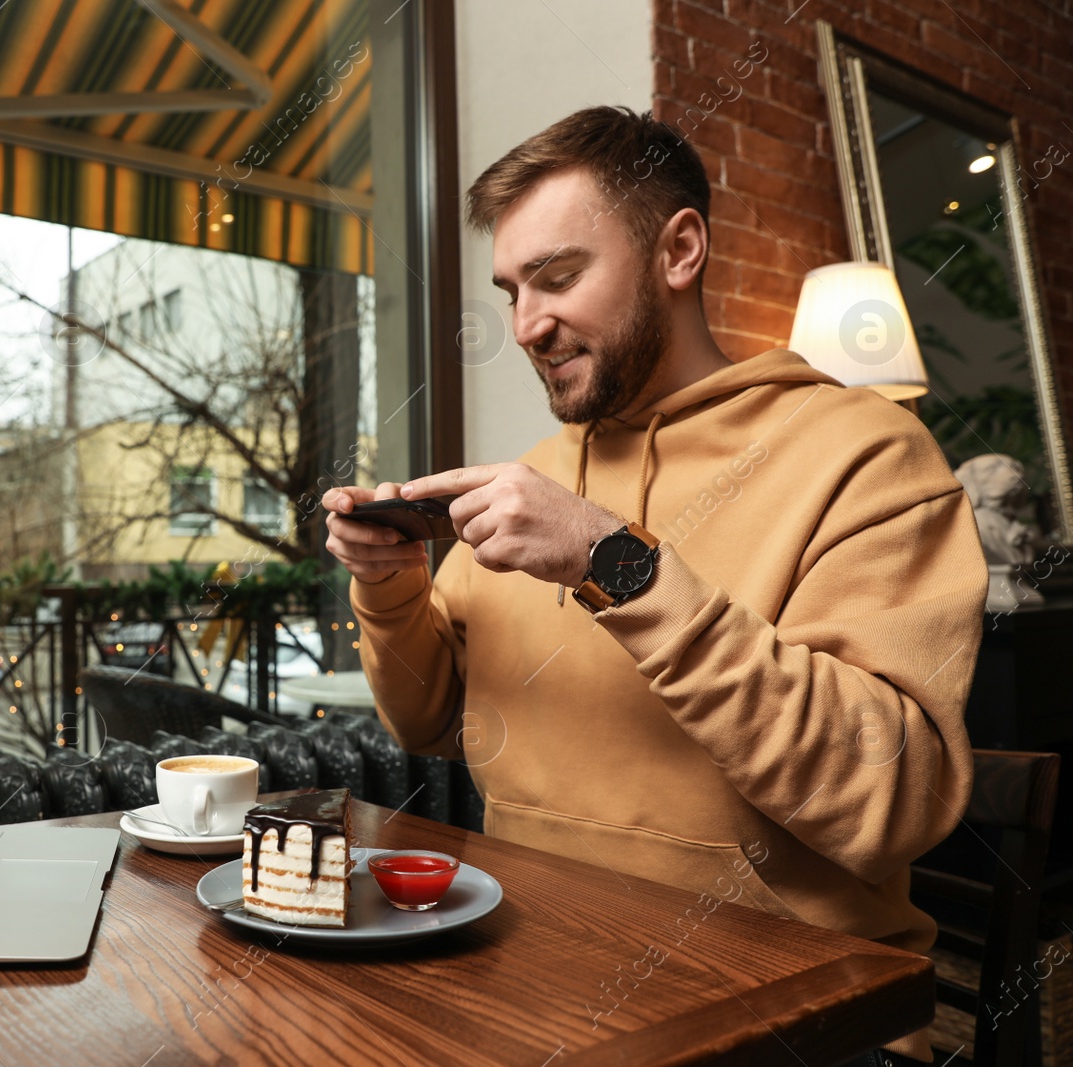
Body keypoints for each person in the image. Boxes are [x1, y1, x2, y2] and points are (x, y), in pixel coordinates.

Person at [323, 106, 986, 1066]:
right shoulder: (537, 476)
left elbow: (892, 799)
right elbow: (428, 723)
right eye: (510, 290)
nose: (525, 324)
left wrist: (614, 562)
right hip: (534, 979)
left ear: (679, 250)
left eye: (557, 277)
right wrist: (392, 588)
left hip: (795, 1017)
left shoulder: (868, 455)